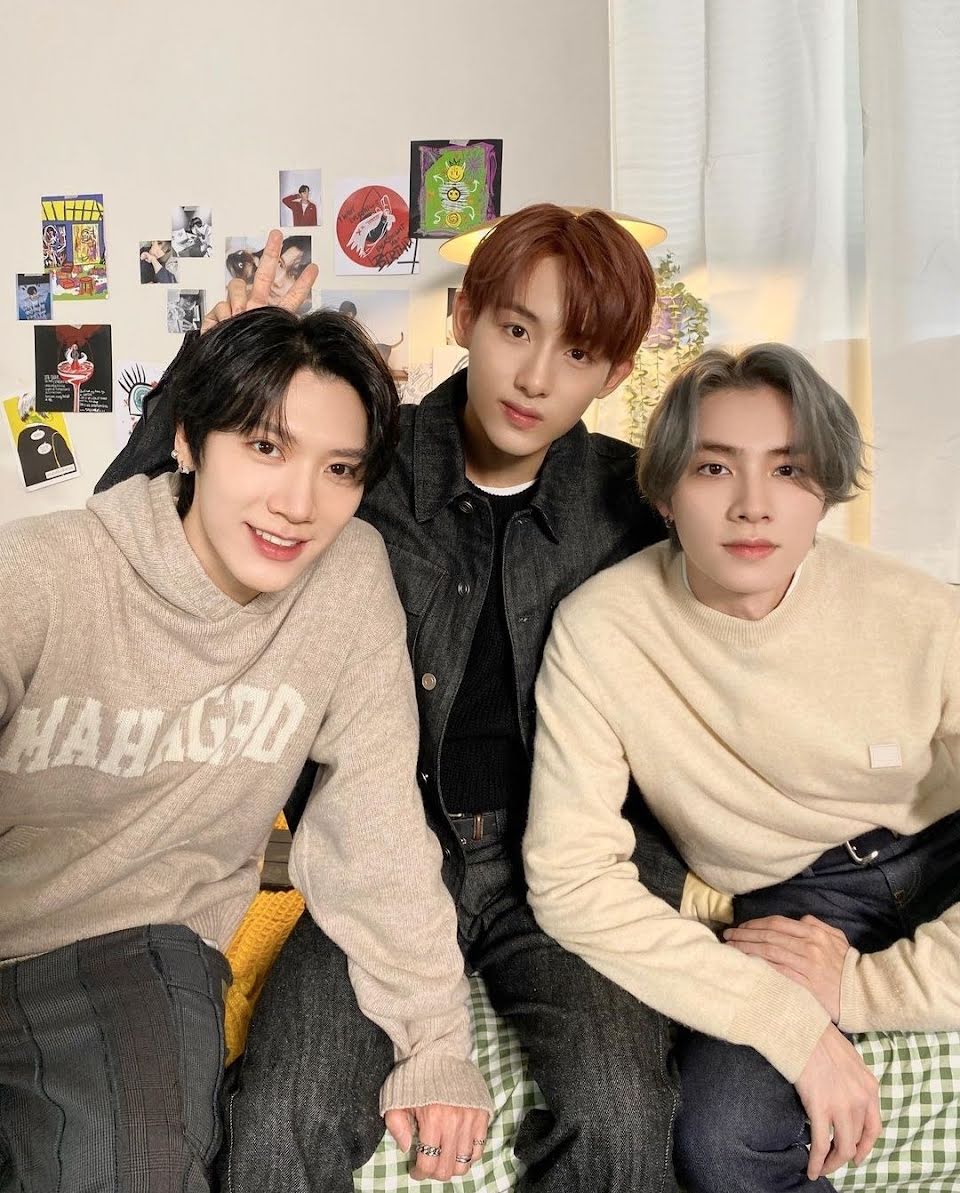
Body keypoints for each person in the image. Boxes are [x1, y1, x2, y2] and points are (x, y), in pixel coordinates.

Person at [97, 207, 703, 1193]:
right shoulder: (360, 464)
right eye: (515, 328)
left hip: (565, 873)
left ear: (616, 373)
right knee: (280, 1116)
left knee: (622, 1113)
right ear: (463, 316)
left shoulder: (630, 503)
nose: (535, 376)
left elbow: (751, 615)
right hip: (380, 863)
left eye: (577, 352)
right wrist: (205, 373)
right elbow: (130, 544)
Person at [0, 308, 491, 1192]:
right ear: (187, 441)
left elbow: (374, 825)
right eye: (266, 447)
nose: (298, 505)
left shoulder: (347, 579)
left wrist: (435, 1043)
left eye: (339, 469)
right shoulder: (43, 573)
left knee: (139, 1171)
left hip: (135, 954)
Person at [523, 343, 960, 1192]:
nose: (754, 505)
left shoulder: (919, 611)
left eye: (789, 469)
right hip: (794, 895)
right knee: (721, 1142)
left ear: (823, 488)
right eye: (715, 467)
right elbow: (571, 878)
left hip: (944, 845)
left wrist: (861, 990)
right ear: (664, 493)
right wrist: (791, 1025)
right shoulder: (601, 631)